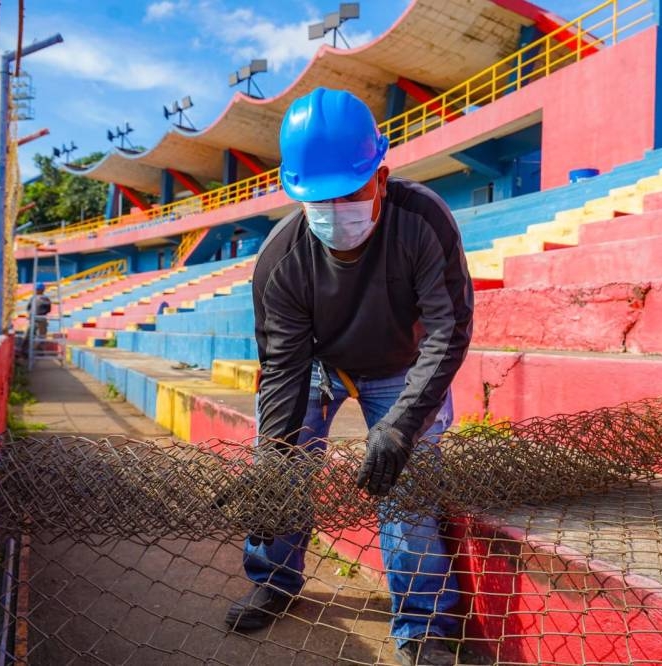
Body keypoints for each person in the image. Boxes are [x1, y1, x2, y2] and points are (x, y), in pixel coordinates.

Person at [227, 87, 474, 666]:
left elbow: (447, 331)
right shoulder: (279, 260)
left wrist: (401, 426)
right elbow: (283, 369)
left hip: (401, 366)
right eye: (320, 199)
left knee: (407, 484)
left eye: (351, 193)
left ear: (381, 179)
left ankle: (421, 625)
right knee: (281, 467)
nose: (336, 210)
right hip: (316, 364)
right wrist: (274, 460)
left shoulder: (424, 221)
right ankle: (274, 577)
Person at [21, 282, 51, 354]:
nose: (38, 291)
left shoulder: (45, 299)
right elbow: (28, 308)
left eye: (39, 289)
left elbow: (48, 309)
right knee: (28, 335)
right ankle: (24, 351)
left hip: (41, 319)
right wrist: (30, 314)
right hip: (34, 319)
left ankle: (39, 351)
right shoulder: (34, 298)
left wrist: (38, 314)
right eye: (37, 289)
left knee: (41, 336)